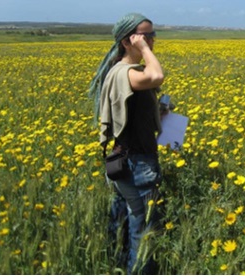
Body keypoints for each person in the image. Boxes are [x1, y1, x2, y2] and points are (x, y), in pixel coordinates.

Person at [88, 12, 165, 274]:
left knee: (121, 227)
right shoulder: (126, 73)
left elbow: (131, 110)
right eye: (146, 36)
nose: (152, 40)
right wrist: (144, 49)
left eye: (153, 35)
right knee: (142, 235)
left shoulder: (125, 72)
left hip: (125, 162)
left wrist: (159, 112)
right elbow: (157, 76)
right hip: (137, 166)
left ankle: (116, 267)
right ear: (127, 41)